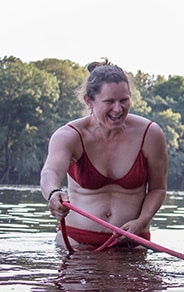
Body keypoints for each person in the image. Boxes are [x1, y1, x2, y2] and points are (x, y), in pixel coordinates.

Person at [40, 61, 168, 249]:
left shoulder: (150, 133)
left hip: (134, 241)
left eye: (124, 100)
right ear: (88, 101)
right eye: (109, 102)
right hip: (77, 241)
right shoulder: (68, 136)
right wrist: (53, 193)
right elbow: (50, 171)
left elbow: (158, 188)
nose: (118, 109)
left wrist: (141, 222)